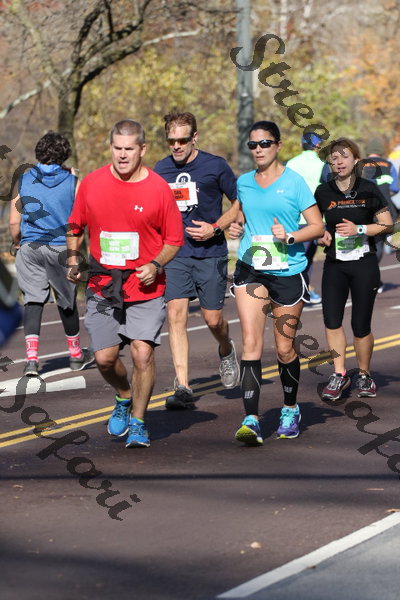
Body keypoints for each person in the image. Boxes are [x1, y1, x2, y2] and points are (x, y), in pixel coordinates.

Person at [67, 119, 184, 448]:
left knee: (142, 354)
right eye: (117, 148)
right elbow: (75, 226)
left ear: (142, 149)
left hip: (145, 287)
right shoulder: (91, 184)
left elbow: (174, 240)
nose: (122, 155)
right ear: (110, 148)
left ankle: (138, 422)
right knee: (105, 359)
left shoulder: (158, 188)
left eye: (129, 149)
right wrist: (73, 258)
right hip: (103, 286)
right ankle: (123, 395)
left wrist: (156, 264)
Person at [229, 120, 324, 445]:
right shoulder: (244, 182)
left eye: (264, 143)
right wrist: (235, 227)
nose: (258, 150)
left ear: (278, 145)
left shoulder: (294, 182)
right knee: (250, 342)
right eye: (252, 145)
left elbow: (317, 226)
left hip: (286, 270)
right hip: (251, 268)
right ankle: (251, 419)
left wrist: (291, 235)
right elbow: (241, 215)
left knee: (284, 348)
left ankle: (290, 408)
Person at [154, 111, 240, 409]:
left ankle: (226, 348)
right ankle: (183, 386)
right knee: (175, 314)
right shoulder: (160, 169)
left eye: (182, 140)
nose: (176, 146)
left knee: (212, 319)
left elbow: (238, 203)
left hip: (210, 252)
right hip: (175, 253)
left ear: (194, 138)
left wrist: (215, 227)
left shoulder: (215, 166)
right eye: (171, 141)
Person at [8, 131, 94, 376]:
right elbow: (80, 222)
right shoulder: (73, 181)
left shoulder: (23, 180)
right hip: (61, 248)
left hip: (30, 248)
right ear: (64, 154)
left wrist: (18, 242)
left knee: (33, 303)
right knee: (66, 301)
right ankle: (75, 355)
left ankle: (31, 361)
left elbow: (14, 222)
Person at [315, 137, 393, 401]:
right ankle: (339, 374)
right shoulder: (323, 192)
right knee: (332, 320)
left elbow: (386, 224)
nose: (339, 162)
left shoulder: (368, 189)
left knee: (360, 324)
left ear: (356, 160)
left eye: (344, 157)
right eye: (334, 159)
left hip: (364, 263)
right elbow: (316, 224)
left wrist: (359, 229)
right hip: (335, 264)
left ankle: (364, 374)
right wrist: (321, 234)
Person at [286, 132, 325, 303]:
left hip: (295, 218)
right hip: (316, 219)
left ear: (301, 144)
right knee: (307, 258)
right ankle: (302, 292)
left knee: (293, 258)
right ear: (317, 145)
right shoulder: (322, 164)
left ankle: (303, 291)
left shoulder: (291, 163)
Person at [361, 138, 399, 282]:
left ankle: (360, 276)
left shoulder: (360, 164)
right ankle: (371, 277)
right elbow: (394, 189)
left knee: (361, 243)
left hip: (363, 210)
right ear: (381, 151)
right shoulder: (389, 165)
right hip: (384, 212)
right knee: (378, 244)